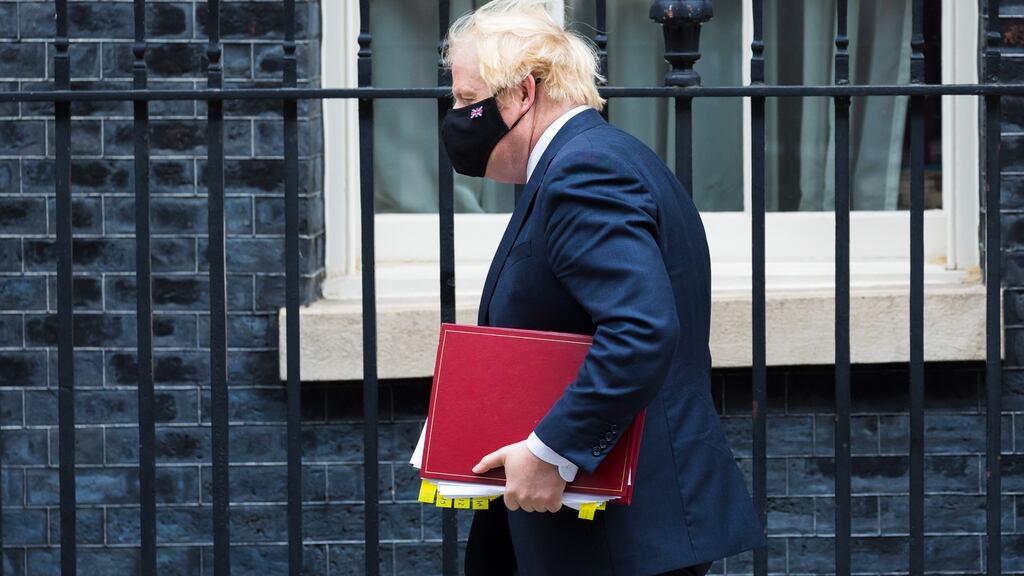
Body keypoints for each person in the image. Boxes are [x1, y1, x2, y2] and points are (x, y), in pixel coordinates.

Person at [438, 1, 767, 574]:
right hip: (619, 529)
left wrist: (552, 451)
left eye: (469, 100)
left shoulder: (586, 172)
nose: (459, 116)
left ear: (523, 92)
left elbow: (640, 330)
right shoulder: (600, 157)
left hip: (618, 536)